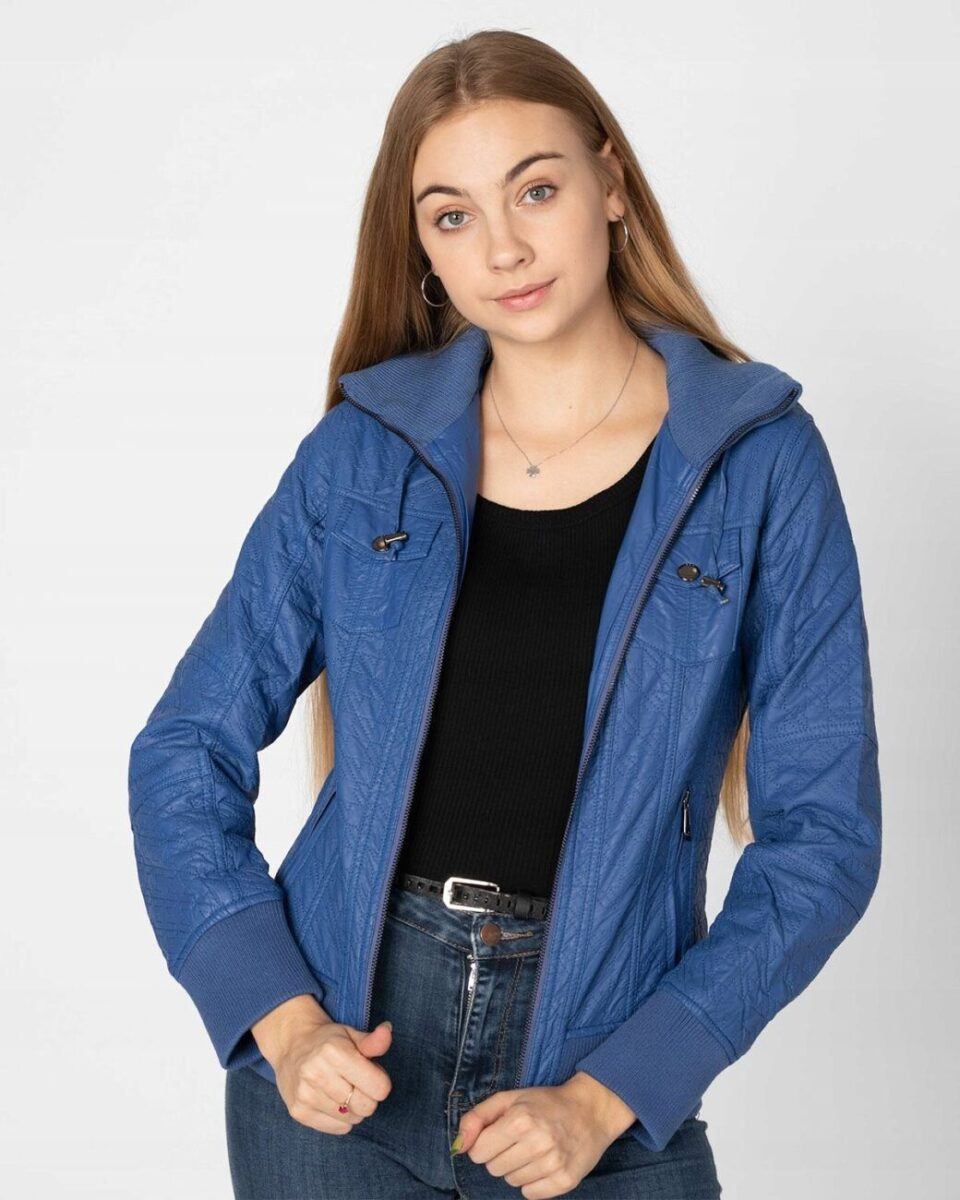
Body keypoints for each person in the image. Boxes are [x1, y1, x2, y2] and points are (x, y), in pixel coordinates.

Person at [127, 29, 882, 1200]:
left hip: (599, 1063)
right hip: (339, 1069)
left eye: (536, 189)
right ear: (423, 249)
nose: (505, 248)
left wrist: (614, 1092)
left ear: (611, 183)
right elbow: (184, 746)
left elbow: (823, 839)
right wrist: (279, 1018)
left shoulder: (758, 462)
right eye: (453, 215)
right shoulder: (361, 455)